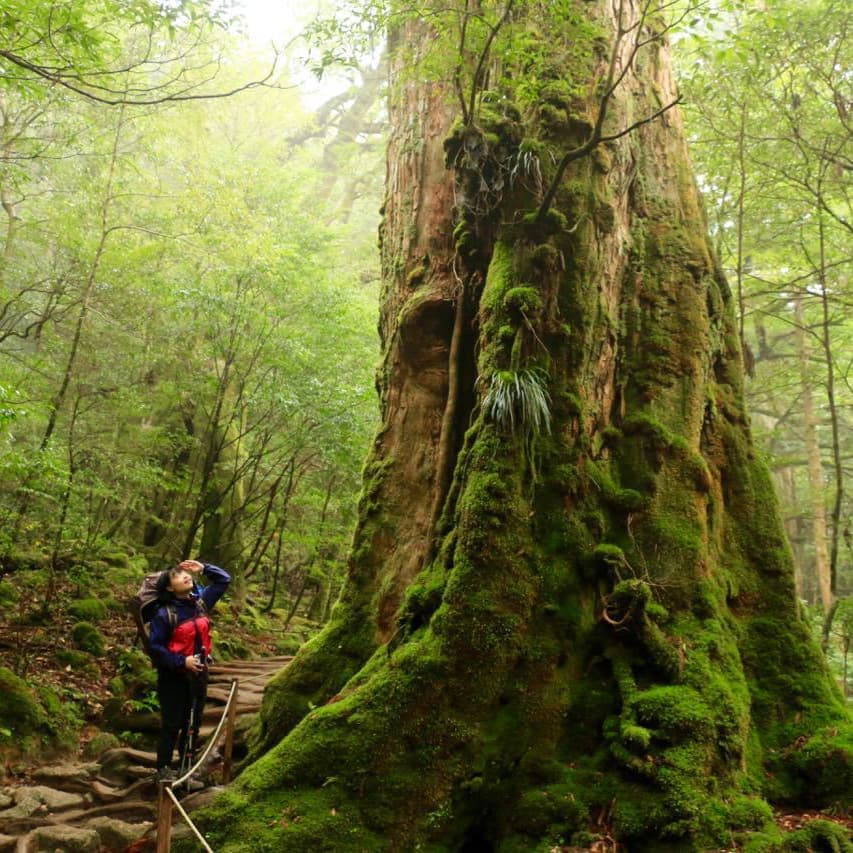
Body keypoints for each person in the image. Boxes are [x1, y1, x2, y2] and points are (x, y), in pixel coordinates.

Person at [148, 558, 230, 783]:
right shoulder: (165, 614)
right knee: (172, 722)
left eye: (185, 574)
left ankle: (187, 769)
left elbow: (224, 580)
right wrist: (181, 662)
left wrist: (204, 568)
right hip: (173, 676)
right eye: (177, 576)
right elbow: (155, 647)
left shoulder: (200, 603)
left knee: (193, 723)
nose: (185, 577)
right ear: (169, 587)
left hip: (199, 674)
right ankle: (163, 769)